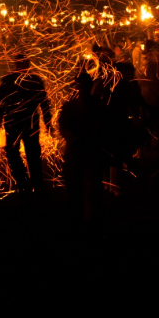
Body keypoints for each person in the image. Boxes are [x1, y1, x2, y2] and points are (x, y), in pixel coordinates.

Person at [0, 57, 53, 195]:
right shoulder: (34, 80)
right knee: (30, 155)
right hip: (28, 123)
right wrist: (48, 123)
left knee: (16, 153)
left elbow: (1, 102)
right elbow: (43, 103)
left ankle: (26, 184)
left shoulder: (8, 80)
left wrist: (1, 119)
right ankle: (34, 185)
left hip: (16, 123)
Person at [58, 71, 106, 227]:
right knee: (77, 189)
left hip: (88, 152)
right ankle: (80, 220)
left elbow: (104, 128)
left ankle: (87, 221)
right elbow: (63, 127)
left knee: (90, 189)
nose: (83, 89)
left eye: (86, 85)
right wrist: (73, 138)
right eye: (81, 86)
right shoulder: (72, 106)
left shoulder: (97, 107)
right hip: (79, 152)